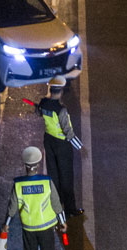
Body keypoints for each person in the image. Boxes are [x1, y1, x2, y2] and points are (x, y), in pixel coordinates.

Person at [35, 76, 84, 216]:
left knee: (54, 176)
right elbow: (67, 131)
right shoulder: (61, 109)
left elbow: (39, 112)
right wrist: (80, 147)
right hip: (62, 145)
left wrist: (40, 106)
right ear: (61, 91)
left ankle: (56, 207)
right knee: (66, 177)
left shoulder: (43, 102)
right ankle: (69, 210)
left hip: (49, 141)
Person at [2, 146, 66, 250]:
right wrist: (62, 222)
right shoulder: (47, 182)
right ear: (38, 165)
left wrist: (6, 224)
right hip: (46, 227)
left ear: (25, 165)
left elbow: (12, 208)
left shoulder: (18, 184)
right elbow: (56, 203)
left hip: (29, 228)